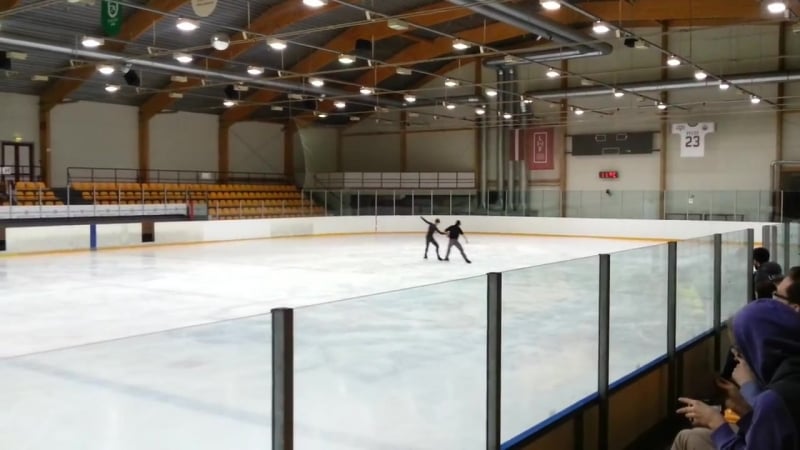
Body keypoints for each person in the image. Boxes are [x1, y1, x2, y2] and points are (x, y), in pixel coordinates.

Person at [675, 299, 800, 450]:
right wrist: (746, 412)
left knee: (686, 438)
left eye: (741, 351)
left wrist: (715, 422)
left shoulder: (774, 400)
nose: (738, 358)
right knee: (689, 436)